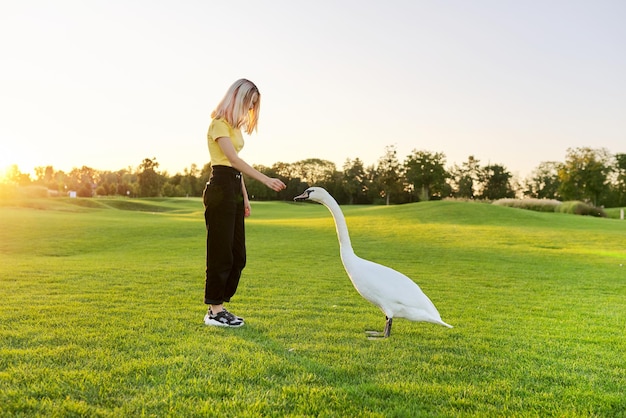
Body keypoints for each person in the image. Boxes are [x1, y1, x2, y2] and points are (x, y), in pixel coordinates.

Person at [203, 79, 286, 327]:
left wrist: (245, 198)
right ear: (237, 98)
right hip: (220, 189)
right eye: (249, 103)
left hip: (234, 189)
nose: (250, 109)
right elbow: (231, 160)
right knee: (221, 253)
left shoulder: (234, 128)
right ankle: (214, 310)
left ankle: (219, 306)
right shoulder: (218, 124)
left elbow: (235, 169)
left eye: (253, 105)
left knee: (238, 256)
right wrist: (265, 179)